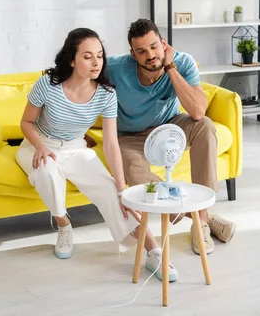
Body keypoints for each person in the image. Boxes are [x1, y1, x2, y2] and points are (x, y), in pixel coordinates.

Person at [15, 27, 178, 282]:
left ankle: (154, 251)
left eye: (100, 55)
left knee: (114, 193)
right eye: (88, 56)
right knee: (47, 171)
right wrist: (40, 146)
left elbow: (112, 144)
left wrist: (122, 188)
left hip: (76, 149)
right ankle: (64, 225)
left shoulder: (106, 94)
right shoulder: (48, 84)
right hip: (39, 146)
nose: (96, 62)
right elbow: (26, 122)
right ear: (72, 59)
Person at [105, 18, 236, 255]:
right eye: (142, 51)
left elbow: (197, 111)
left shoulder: (182, 62)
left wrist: (170, 68)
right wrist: (81, 131)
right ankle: (200, 219)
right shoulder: (114, 69)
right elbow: (81, 87)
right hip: (130, 136)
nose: (150, 55)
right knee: (133, 167)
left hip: (170, 127)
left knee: (204, 126)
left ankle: (201, 223)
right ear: (132, 54)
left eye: (155, 46)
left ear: (164, 44)